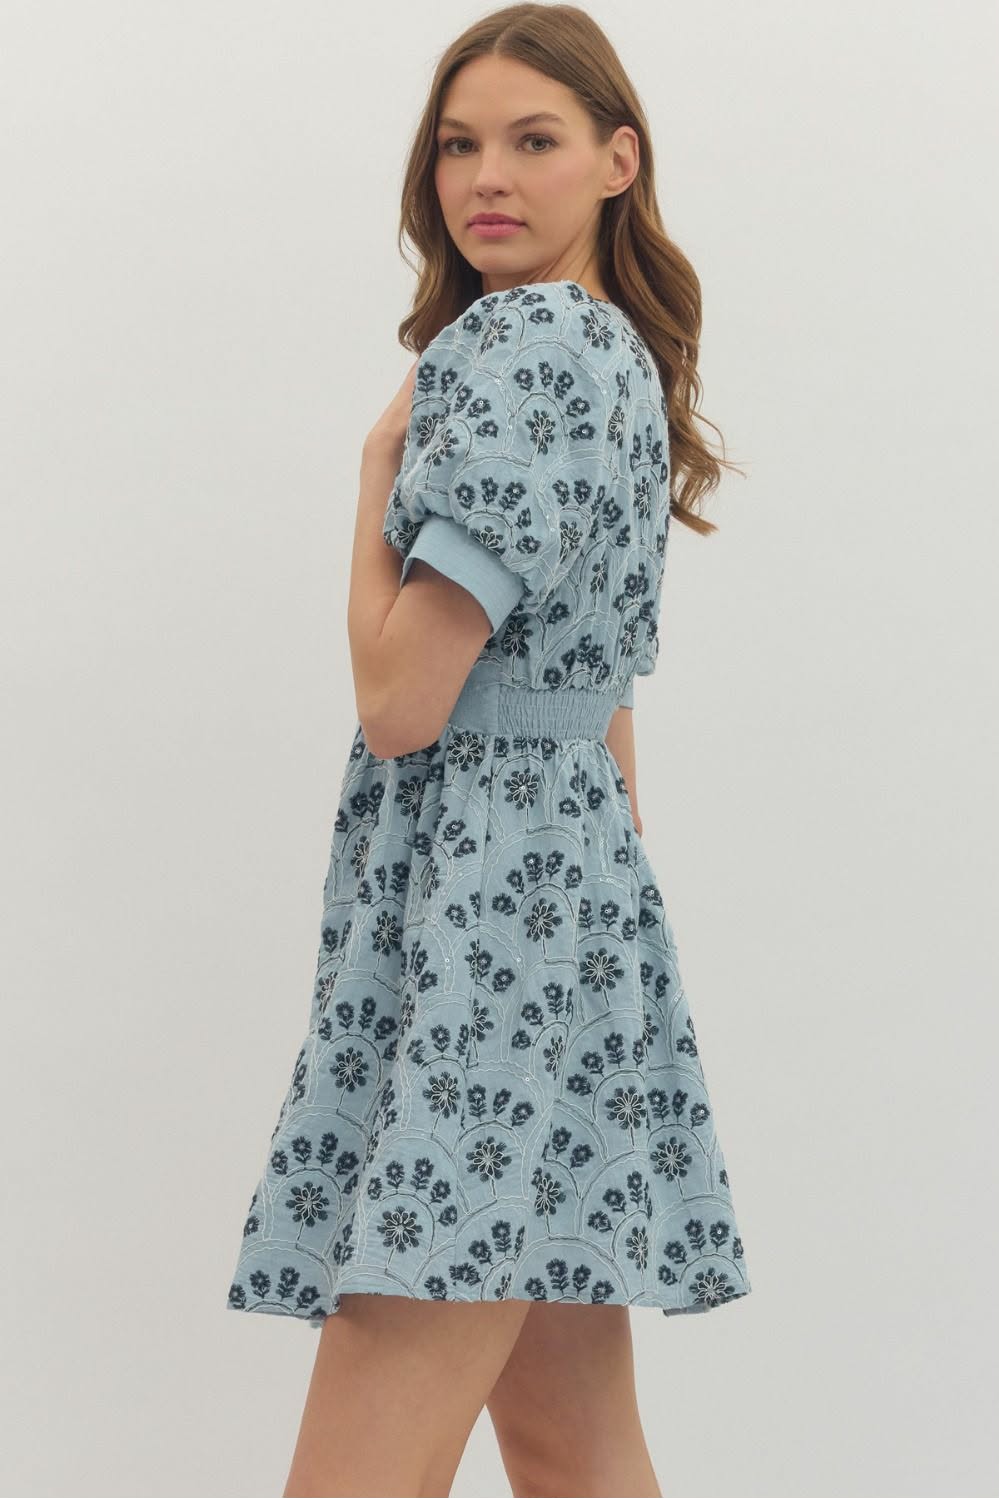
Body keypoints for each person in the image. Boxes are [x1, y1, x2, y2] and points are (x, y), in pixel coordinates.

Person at [226, 6, 752, 1495]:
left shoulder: (515, 348)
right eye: (459, 144)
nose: (486, 178)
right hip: (571, 907)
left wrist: (375, 474)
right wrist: (603, 956)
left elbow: (401, 700)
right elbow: (609, 702)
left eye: (533, 140)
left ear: (617, 161)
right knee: (570, 1438)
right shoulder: (618, 357)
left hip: (480, 943)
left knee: (361, 1451)